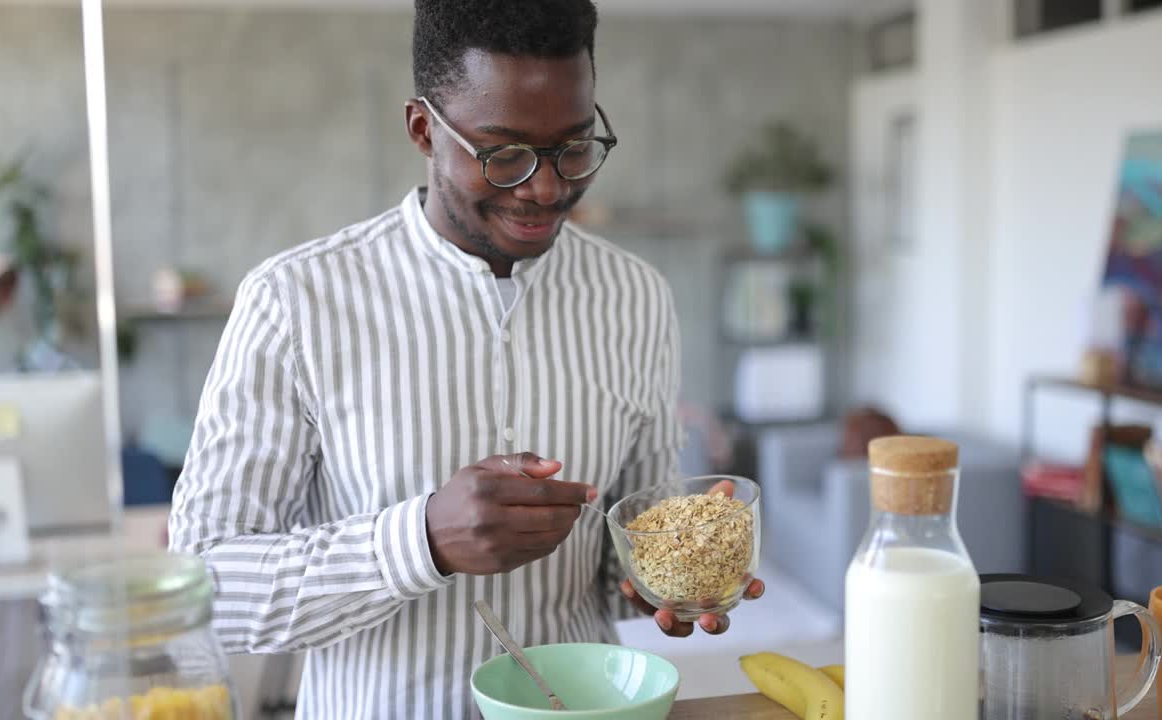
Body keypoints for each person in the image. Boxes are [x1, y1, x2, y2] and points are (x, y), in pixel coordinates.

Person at [168, 1, 764, 717]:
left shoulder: (637, 298)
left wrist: (658, 578)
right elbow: (203, 588)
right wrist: (421, 540)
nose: (546, 188)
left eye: (574, 148)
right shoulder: (294, 302)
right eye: (504, 154)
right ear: (423, 129)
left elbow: (624, 548)